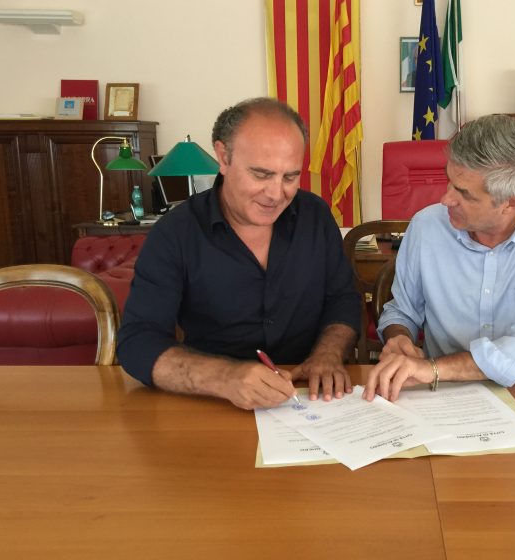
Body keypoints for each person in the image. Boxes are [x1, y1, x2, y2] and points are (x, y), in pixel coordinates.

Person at [118, 97, 360, 410]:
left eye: (290, 177)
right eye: (261, 174)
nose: (276, 194)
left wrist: (327, 354)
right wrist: (225, 378)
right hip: (214, 404)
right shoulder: (175, 233)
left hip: (308, 398)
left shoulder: (315, 216)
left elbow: (343, 299)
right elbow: (137, 341)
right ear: (223, 156)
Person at [363, 114, 515, 402]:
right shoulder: (426, 226)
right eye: (449, 182)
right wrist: (399, 338)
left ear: (511, 203)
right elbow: (402, 311)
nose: (445, 199)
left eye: (464, 194)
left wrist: (434, 368)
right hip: (439, 395)